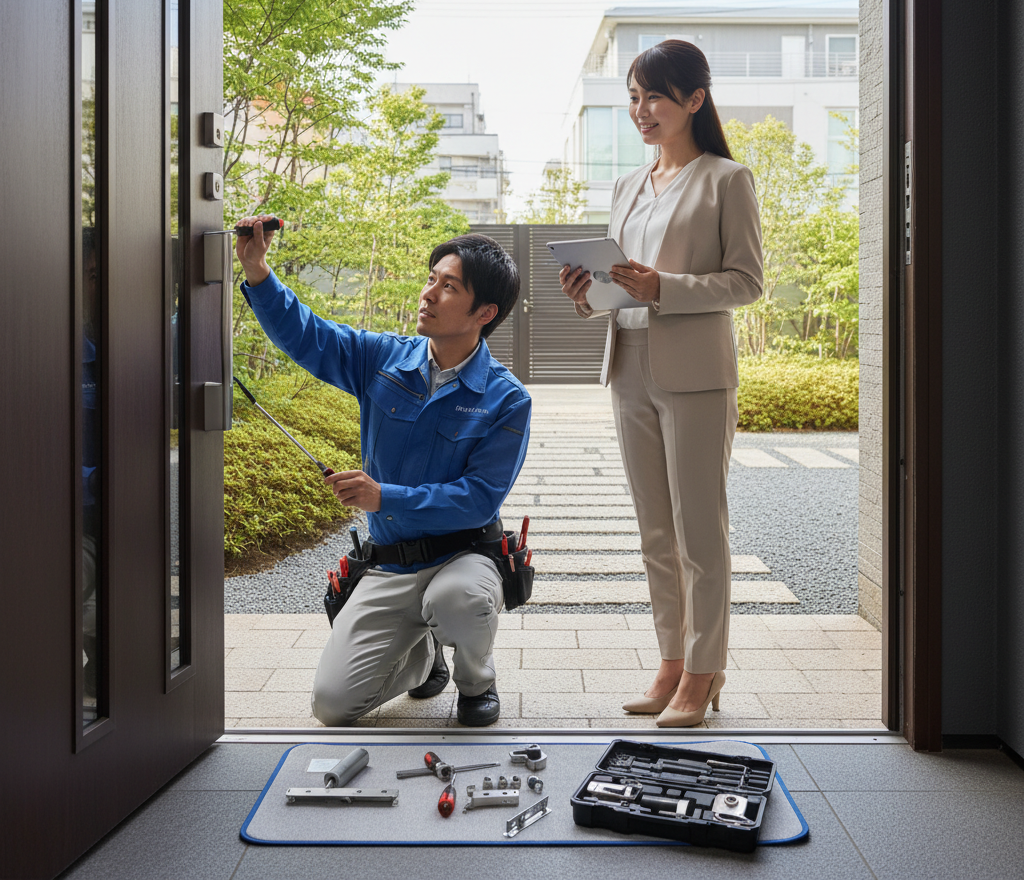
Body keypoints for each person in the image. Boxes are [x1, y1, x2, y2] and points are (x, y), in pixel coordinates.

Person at [236, 223, 530, 726]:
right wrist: (257, 272)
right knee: (332, 706)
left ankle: (476, 682)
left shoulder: (506, 399)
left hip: (466, 557)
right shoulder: (382, 358)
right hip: (391, 564)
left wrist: (384, 496)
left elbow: (479, 498)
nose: (429, 293)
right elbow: (310, 336)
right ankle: (423, 661)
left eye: (449, 286)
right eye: (431, 278)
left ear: (485, 313)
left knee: (456, 598)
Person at [560, 40, 763, 727]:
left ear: (694, 101)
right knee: (654, 532)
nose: (640, 110)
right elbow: (621, 289)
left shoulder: (725, 180)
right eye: (633, 97)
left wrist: (663, 286)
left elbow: (747, 282)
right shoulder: (626, 187)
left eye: (653, 96)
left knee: (699, 532)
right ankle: (671, 664)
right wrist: (586, 295)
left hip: (697, 376)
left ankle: (704, 676)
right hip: (629, 367)